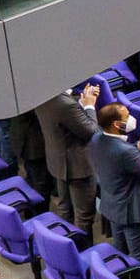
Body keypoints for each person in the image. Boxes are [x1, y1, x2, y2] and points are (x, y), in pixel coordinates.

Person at [86, 101, 140, 264]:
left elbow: (119, 157)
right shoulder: (125, 152)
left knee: (119, 252)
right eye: (127, 116)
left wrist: (138, 147)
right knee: (139, 258)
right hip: (133, 213)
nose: (131, 118)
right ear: (116, 124)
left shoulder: (97, 138)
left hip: (113, 207)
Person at [34, 84, 99, 234]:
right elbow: (91, 130)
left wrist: (81, 102)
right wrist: (89, 106)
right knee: (84, 216)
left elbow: (66, 121)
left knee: (65, 208)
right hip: (78, 167)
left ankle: (66, 245)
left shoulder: (40, 95)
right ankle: (82, 253)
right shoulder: (66, 104)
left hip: (58, 161)